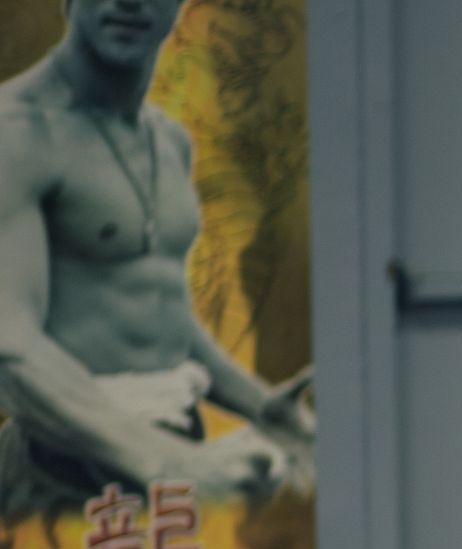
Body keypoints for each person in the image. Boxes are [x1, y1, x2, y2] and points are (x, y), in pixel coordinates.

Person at [0, 0, 312, 518]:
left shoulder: (168, 140)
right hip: (64, 470)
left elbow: (162, 315)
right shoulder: (17, 131)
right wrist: (173, 464)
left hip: (170, 452)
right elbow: (12, 352)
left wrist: (261, 407)